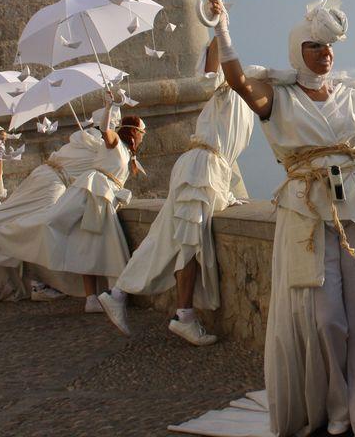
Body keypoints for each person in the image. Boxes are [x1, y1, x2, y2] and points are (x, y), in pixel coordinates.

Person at [171, 0, 355, 437]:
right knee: (326, 319)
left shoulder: (353, 95)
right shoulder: (277, 93)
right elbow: (238, 84)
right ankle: (337, 408)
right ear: (297, 50)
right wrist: (222, 28)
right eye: (314, 46)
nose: (325, 54)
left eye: (329, 47)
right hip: (306, 214)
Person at [98, 38, 254, 344]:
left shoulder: (240, 102)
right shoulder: (223, 89)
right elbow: (213, 54)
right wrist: (220, 27)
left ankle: (119, 293)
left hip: (204, 168)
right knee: (188, 243)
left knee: (167, 235)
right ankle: (183, 315)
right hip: (200, 167)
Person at [0, 95, 146, 314]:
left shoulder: (128, 154)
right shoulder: (114, 142)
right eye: (142, 132)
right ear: (134, 132)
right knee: (57, 224)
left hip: (102, 195)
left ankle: (94, 298)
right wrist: (109, 106)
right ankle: (7, 235)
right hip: (94, 192)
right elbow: (105, 129)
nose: (143, 137)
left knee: (86, 244)